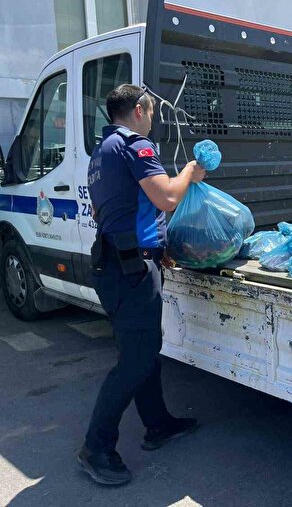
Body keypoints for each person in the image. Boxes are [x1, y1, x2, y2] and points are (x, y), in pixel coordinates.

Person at [78, 84, 206, 486]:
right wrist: (189, 172)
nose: (152, 120)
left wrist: (155, 246)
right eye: (150, 112)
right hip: (131, 269)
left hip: (116, 264)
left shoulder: (100, 153)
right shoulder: (136, 145)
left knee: (142, 350)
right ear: (138, 110)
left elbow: (105, 210)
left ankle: (158, 423)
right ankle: (96, 447)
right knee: (136, 358)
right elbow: (166, 198)